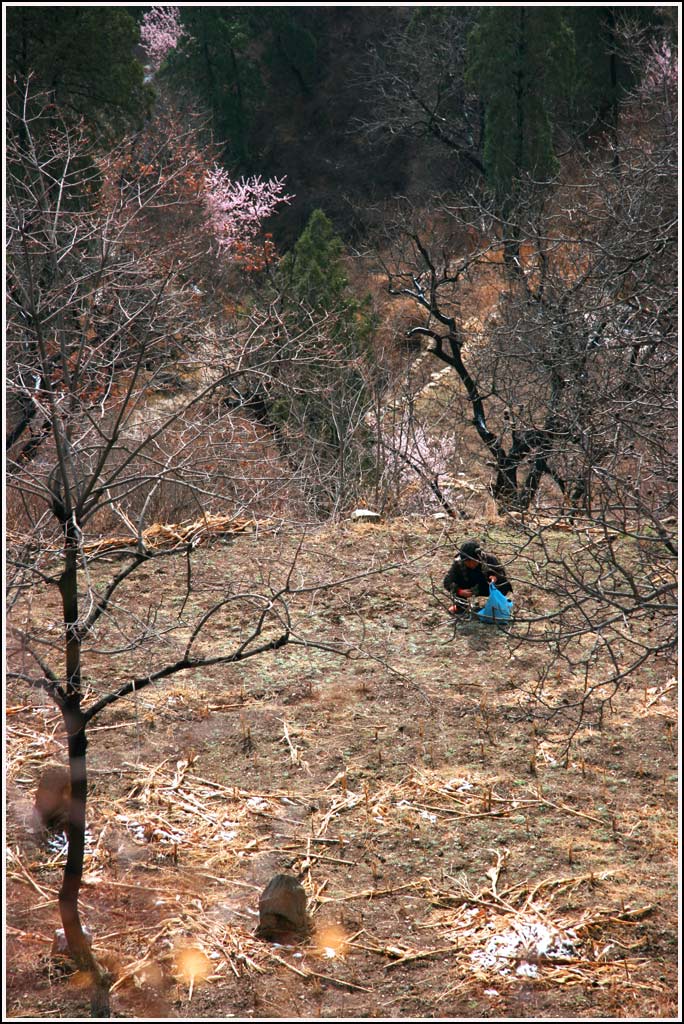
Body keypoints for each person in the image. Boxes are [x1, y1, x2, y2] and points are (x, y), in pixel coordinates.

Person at [443, 539, 512, 614]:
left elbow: (501, 572)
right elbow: (447, 582)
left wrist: (495, 577)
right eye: (467, 562)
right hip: (469, 587)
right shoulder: (458, 564)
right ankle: (461, 607)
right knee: (455, 584)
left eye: (473, 561)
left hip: (486, 586)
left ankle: (498, 605)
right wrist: (459, 591)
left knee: (504, 584)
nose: (471, 565)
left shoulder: (489, 559)